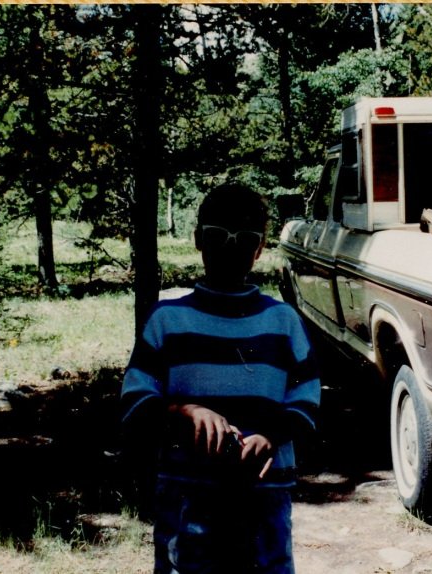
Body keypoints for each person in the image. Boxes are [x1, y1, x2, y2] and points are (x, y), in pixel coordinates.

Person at [121, 184, 321, 574]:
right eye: (217, 236)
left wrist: (271, 435)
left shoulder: (283, 322)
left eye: (244, 238)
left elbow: (307, 400)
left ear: (260, 247)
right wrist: (182, 411)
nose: (230, 248)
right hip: (187, 493)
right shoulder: (167, 321)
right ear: (198, 240)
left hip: (264, 493)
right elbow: (135, 401)